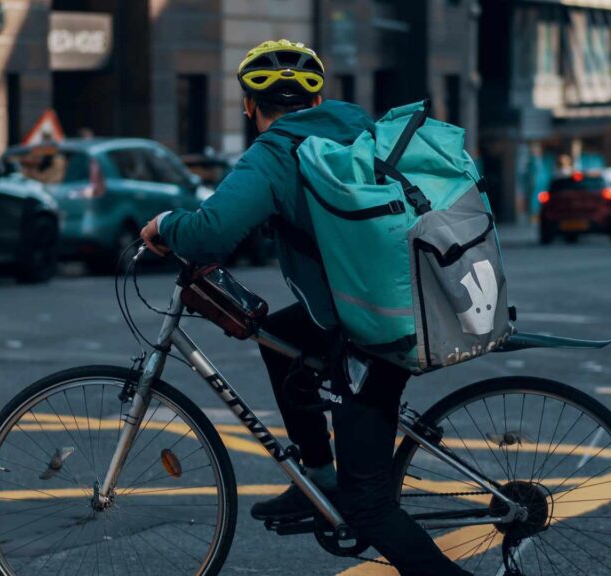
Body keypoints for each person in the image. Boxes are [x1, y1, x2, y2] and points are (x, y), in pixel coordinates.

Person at [140, 39, 470, 576]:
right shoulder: (356, 125)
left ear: (249, 105)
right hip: (402, 299)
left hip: (371, 328)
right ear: (317, 98)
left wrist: (164, 225)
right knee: (278, 339)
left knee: (369, 505)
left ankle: (345, 489)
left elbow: (211, 233)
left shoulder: (273, 154)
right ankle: (316, 474)